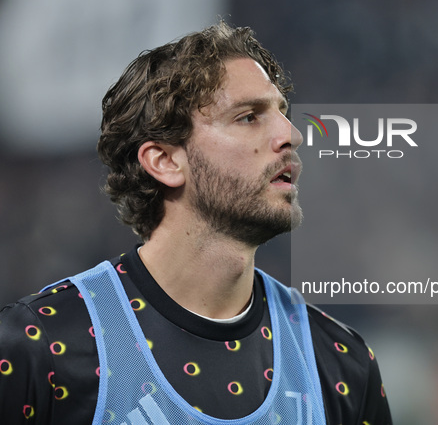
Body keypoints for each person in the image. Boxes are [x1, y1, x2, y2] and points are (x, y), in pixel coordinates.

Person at [0, 22, 392, 424]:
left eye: (282, 113)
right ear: (165, 161)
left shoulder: (344, 364)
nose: (291, 134)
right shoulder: (39, 344)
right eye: (248, 117)